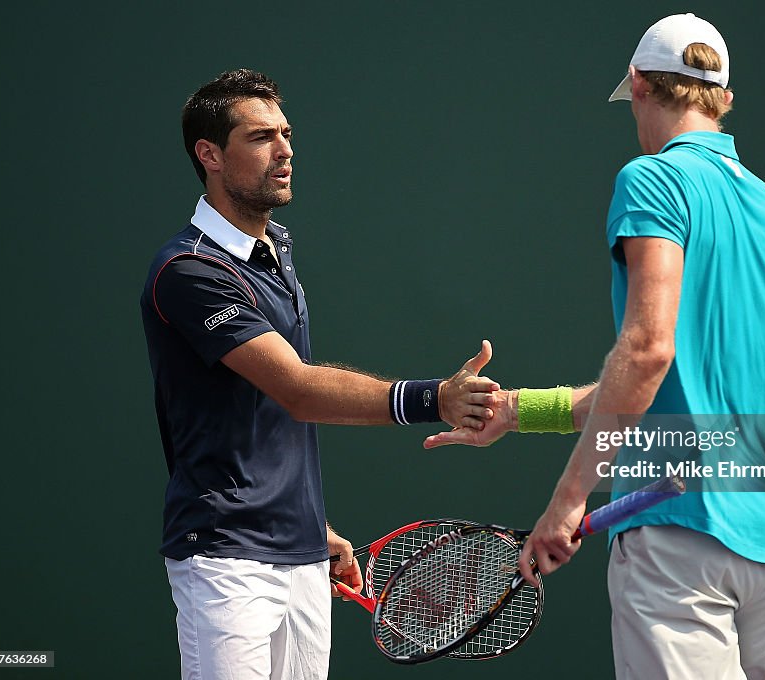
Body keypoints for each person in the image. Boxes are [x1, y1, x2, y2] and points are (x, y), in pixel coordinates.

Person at [425, 14, 765, 680]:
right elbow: (673, 388)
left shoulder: (652, 181)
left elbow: (647, 353)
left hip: (681, 537)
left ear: (638, 85)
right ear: (723, 99)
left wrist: (569, 497)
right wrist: (520, 409)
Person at [139, 69, 498, 680]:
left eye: (286, 133)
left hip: (301, 555)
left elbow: (260, 420)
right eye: (260, 137)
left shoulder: (274, 252)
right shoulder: (189, 271)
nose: (285, 151)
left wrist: (310, 524)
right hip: (227, 560)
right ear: (210, 155)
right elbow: (297, 390)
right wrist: (432, 398)